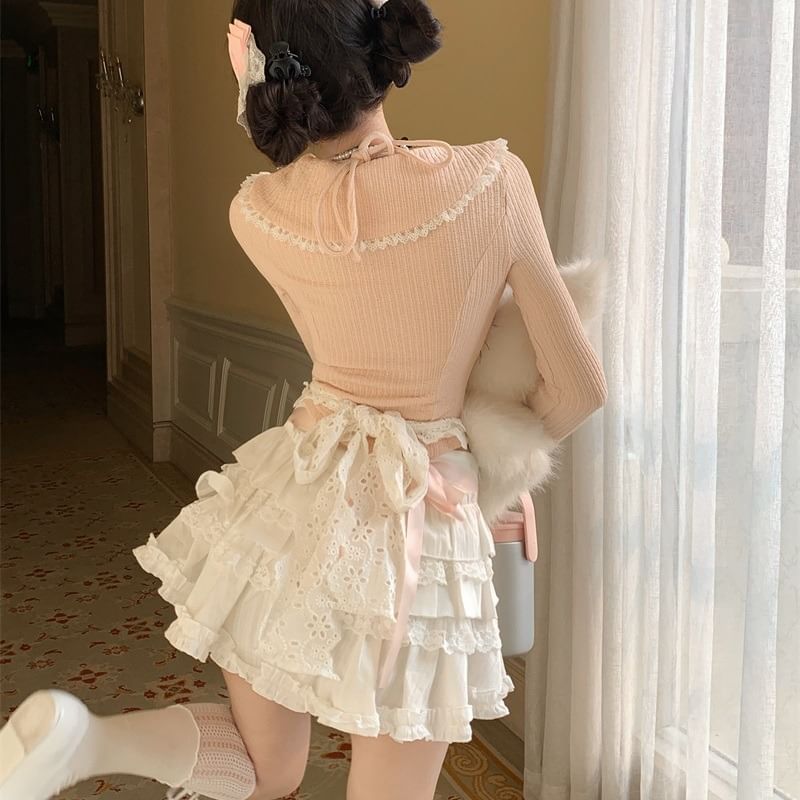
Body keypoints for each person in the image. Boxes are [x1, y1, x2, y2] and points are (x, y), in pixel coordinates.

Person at [0, 1, 608, 799]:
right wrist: (483, 474)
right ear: (378, 45)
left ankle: (88, 740)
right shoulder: (492, 180)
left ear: (263, 78)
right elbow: (579, 387)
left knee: (267, 767)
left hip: (299, 491)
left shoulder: (255, 211)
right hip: (420, 512)